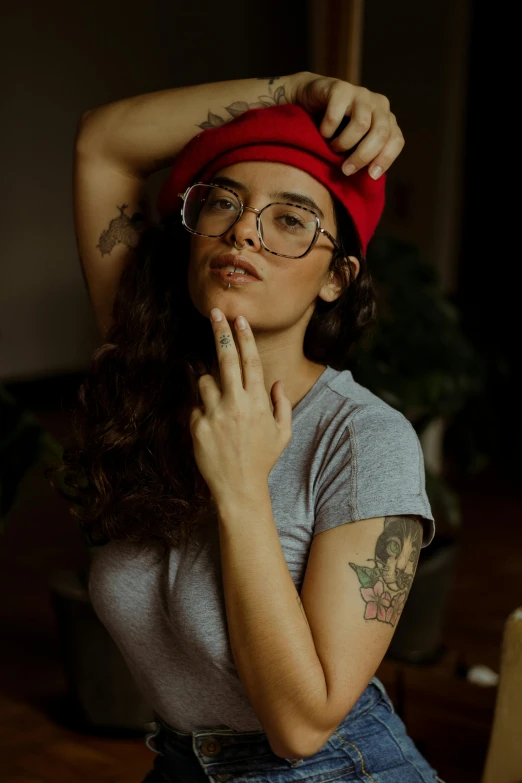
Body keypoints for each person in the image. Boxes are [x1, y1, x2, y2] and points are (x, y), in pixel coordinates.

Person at [50, 72, 446, 782]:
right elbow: (103, 144)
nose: (243, 229)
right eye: (224, 202)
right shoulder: (146, 371)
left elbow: (300, 726)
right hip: (181, 763)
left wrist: (241, 488)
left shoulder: (363, 440)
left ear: (336, 277)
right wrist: (295, 88)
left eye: (290, 219)